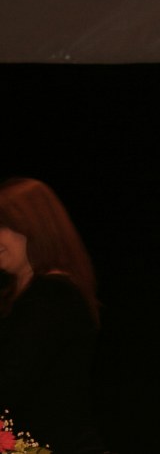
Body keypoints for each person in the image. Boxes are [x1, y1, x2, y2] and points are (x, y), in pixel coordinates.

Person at [0, 178, 106, 454]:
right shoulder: (17, 295)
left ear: (34, 228)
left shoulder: (54, 295)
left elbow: (12, 380)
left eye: (3, 226)